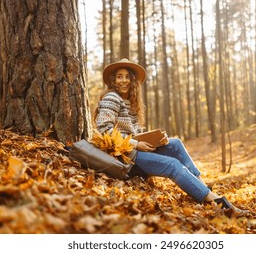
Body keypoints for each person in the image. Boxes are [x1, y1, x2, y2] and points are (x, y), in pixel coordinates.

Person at [93, 58, 247, 216]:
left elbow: (133, 132)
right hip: (124, 157)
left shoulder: (130, 101)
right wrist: (137, 144)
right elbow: (105, 130)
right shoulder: (111, 98)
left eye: (127, 76)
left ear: (132, 80)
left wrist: (154, 138)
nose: (124, 80)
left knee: (175, 144)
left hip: (134, 150)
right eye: (119, 76)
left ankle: (203, 188)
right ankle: (219, 204)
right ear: (113, 80)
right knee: (173, 165)